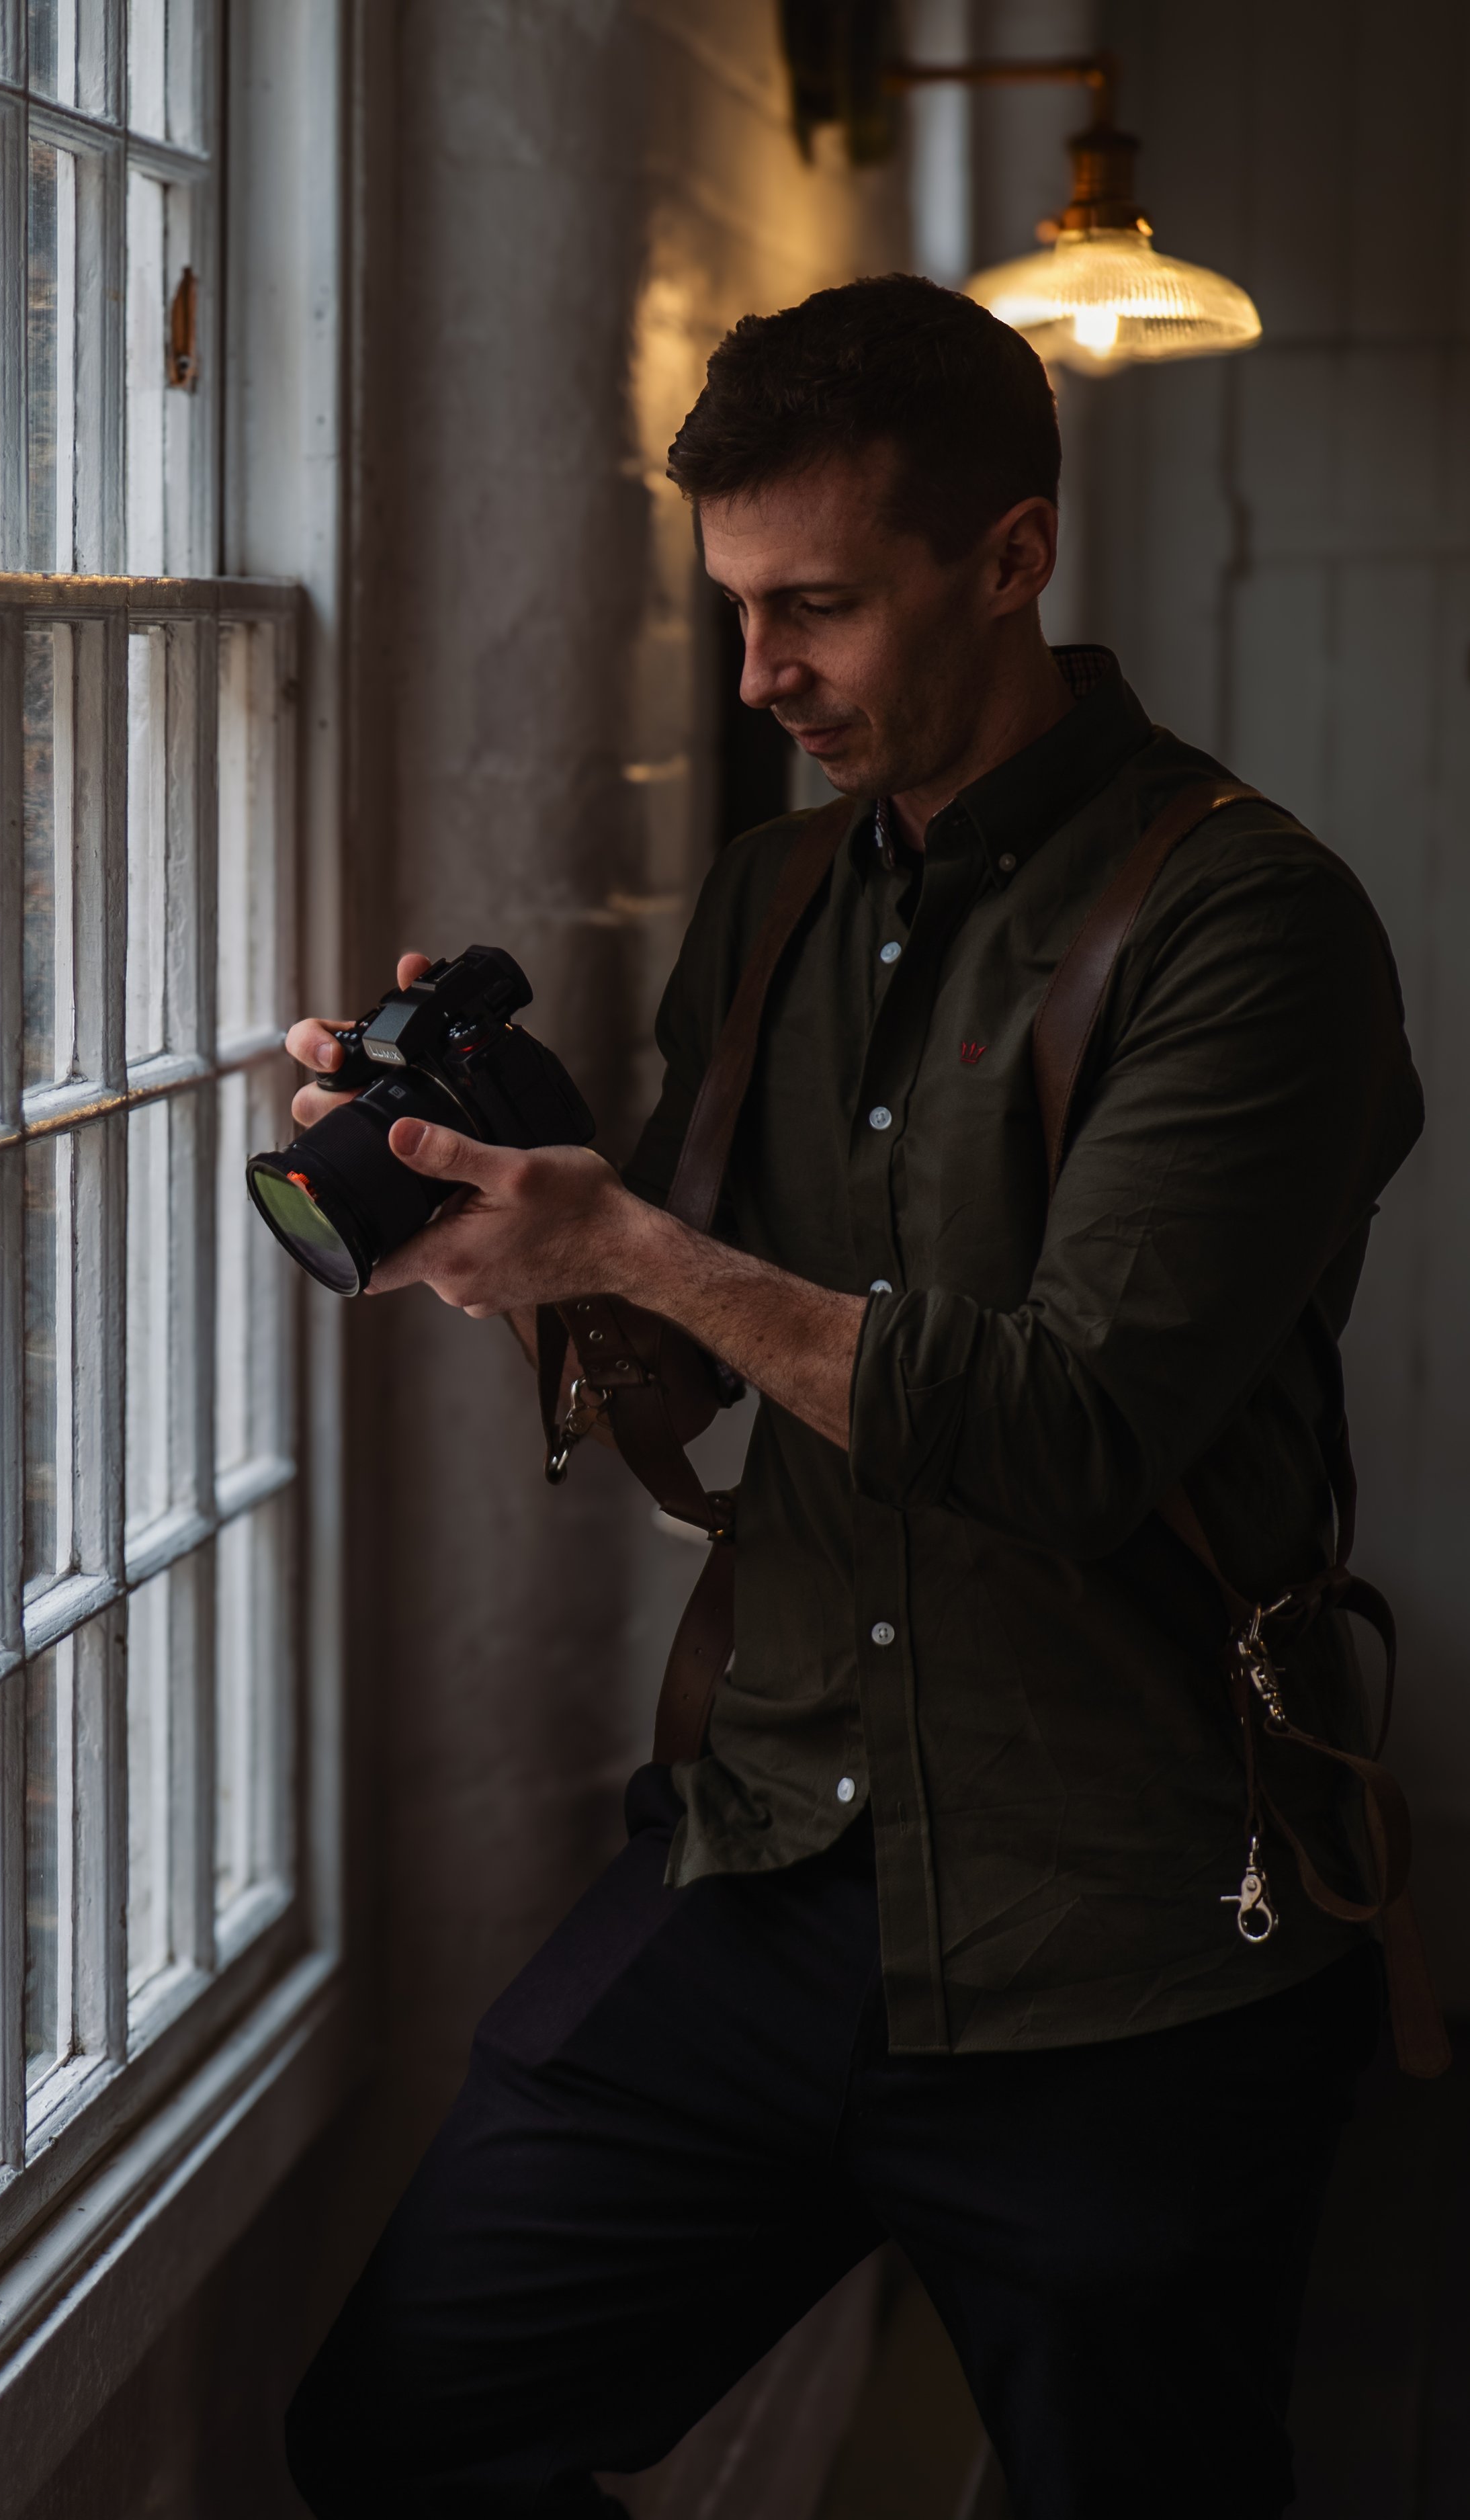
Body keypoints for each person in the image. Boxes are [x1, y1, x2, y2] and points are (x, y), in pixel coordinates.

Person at [282, 274, 1422, 2520]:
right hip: (767, 1855)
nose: (756, 676)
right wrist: (505, 1212)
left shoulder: (1248, 927)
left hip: (1136, 1920)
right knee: (397, 2439)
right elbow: (703, 1370)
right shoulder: (773, 894)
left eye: (814, 607)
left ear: (1011, 554)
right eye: (727, 608)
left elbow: (1068, 1429)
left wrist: (630, 1242)